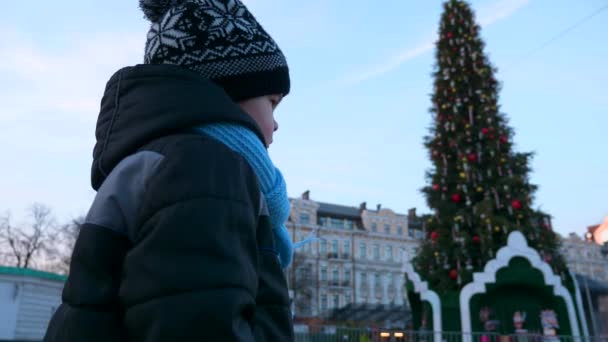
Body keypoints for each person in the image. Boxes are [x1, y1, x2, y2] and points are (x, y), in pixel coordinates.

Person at [43, 0, 294, 340]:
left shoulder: (160, 162)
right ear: (227, 94)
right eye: (272, 103)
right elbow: (202, 323)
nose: (277, 125)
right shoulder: (207, 170)